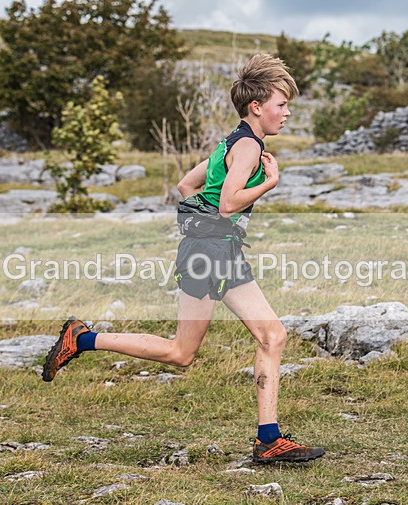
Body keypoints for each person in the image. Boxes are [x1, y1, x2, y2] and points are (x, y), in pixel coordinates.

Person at [42, 54, 325, 464]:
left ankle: (269, 440)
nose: (287, 113)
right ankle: (82, 338)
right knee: (181, 352)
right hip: (210, 253)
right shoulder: (248, 145)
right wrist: (269, 185)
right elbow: (228, 204)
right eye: (282, 105)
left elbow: (186, 185)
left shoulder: (231, 142)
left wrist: (204, 227)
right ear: (257, 107)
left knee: (271, 336)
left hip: (215, 250)